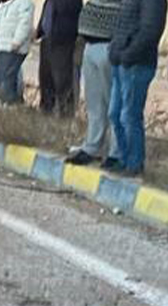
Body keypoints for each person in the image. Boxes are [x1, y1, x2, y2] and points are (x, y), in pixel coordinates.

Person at [107, 0, 167, 176]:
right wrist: (114, 49)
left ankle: (134, 163)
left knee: (129, 115)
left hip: (137, 64)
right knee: (114, 113)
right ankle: (123, 159)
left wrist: (128, 55)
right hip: (121, 61)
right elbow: (121, 24)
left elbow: (150, 30)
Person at [65, 0, 125, 166]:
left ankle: (115, 151)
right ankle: (92, 147)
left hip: (109, 45)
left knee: (112, 103)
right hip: (89, 44)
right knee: (94, 102)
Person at [35, 0, 81, 114]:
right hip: (47, 39)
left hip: (62, 43)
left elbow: (72, 20)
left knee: (62, 80)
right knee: (45, 77)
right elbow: (47, 14)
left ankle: (65, 112)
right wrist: (39, 30)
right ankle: (46, 109)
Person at [0, 0, 33, 104]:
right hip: (2, 46)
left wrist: (17, 41)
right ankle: (1, 100)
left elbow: (25, 23)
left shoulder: (24, 3)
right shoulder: (3, 5)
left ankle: (9, 103)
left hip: (14, 47)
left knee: (7, 76)